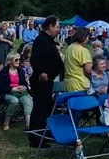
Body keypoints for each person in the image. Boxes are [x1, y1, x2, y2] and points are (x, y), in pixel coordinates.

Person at [28, 16, 64, 147]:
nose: (58, 30)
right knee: (40, 108)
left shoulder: (49, 40)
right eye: (57, 27)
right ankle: (36, 138)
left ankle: (44, 133)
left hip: (49, 79)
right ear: (50, 26)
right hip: (41, 80)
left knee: (46, 107)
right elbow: (35, 59)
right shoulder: (42, 40)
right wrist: (42, 72)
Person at [63, 28, 92, 92]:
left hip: (68, 83)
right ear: (83, 37)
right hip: (80, 84)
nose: (88, 39)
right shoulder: (83, 50)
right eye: (87, 37)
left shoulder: (69, 47)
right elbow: (88, 70)